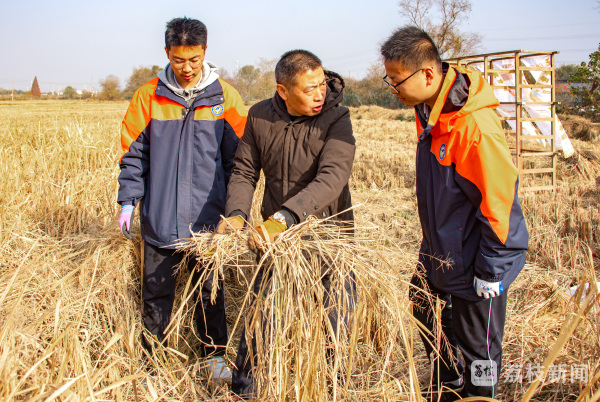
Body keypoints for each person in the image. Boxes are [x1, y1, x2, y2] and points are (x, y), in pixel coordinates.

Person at [380, 26, 529, 400]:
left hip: (477, 260)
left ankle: (482, 392)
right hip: (440, 249)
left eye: (397, 80)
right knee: (426, 311)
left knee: (479, 347)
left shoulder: (473, 126)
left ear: (427, 74)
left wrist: (493, 268)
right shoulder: (430, 110)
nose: (392, 87)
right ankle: (450, 384)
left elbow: (499, 202)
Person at [216, 49, 356, 397]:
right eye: (310, 89)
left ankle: (331, 388)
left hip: (328, 235)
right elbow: (245, 171)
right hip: (273, 238)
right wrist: (236, 214)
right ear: (283, 90)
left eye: (322, 84)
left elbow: (332, 176)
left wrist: (285, 217)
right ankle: (246, 389)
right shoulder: (260, 116)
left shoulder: (337, 118)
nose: (320, 94)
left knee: (335, 317)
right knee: (262, 314)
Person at [116, 17, 247, 383]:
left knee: (211, 294)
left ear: (205, 52)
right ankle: (152, 361)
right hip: (160, 219)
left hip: (209, 223)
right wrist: (129, 199)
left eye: (193, 59)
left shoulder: (225, 98)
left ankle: (214, 356)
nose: (187, 69)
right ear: (166, 54)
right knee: (156, 294)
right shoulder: (149, 97)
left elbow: (240, 164)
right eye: (178, 60)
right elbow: (133, 155)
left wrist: (236, 211)